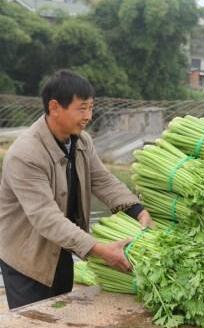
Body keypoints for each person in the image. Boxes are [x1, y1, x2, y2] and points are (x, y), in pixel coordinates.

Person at [0, 70, 154, 309]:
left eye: (91, 108)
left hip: (62, 249)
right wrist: (99, 249)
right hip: (27, 257)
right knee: (33, 320)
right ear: (54, 107)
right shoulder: (26, 154)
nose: (88, 116)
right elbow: (46, 217)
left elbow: (102, 180)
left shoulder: (81, 141)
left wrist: (137, 210)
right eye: (82, 108)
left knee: (60, 314)